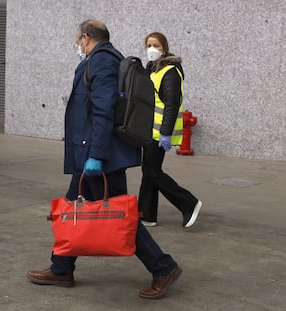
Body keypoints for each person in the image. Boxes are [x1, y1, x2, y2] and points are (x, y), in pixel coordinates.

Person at [27, 20, 181, 299]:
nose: (77, 45)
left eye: (77, 40)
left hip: (99, 155)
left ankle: (163, 267)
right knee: (73, 206)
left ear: (86, 38)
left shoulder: (100, 62)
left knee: (121, 216)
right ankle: (61, 267)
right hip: (92, 152)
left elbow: (103, 110)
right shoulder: (106, 58)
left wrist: (96, 155)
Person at [138, 32, 202, 228]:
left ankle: (189, 203)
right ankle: (147, 214)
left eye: (156, 45)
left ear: (164, 48)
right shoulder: (152, 68)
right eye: (148, 45)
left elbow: (172, 104)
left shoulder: (170, 71)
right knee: (150, 170)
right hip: (150, 128)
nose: (152, 49)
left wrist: (165, 133)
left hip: (160, 131)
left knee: (152, 171)